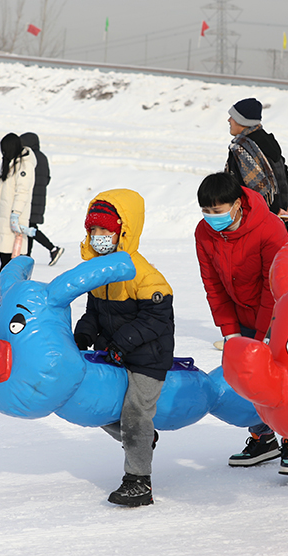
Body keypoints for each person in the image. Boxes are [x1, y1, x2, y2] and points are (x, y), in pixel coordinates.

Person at [195, 172, 288, 475]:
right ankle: (263, 436)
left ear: (237, 204)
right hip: (242, 311)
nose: (211, 217)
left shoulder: (270, 229)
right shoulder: (204, 234)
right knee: (245, 380)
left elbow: (275, 285)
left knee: (281, 379)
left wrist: (261, 337)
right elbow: (213, 285)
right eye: (205, 211)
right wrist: (230, 333)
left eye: (218, 210)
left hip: (283, 309)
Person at [73, 192, 175, 506]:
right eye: (94, 232)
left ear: (123, 233)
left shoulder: (141, 273)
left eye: (106, 231)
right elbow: (94, 311)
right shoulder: (100, 271)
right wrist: (83, 333)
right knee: (96, 403)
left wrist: (121, 343)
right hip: (114, 353)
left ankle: (139, 481)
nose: (99, 238)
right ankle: (141, 439)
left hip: (147, 356)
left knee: (135, 412)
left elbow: (157, 318)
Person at [225, 97, 288, 219]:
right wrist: (285, 205)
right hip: (278, 217)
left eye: (233, 117)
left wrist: (275, 209)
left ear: (242, 121)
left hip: (256, 219)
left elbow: (243, 188)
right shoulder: (269, 141)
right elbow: (283, 176)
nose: (229, 120)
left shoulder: (241, 148)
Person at [0, 132, 35, 296]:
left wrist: (16, 214)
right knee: (5, 254)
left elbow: (22, 191)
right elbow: (5, 188)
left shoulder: (24, 165)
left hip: (15, 217)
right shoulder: (13, 163)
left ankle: (13, 286)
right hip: (6, 216)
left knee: (15, 255)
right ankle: (2, 285)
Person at [19, 132, 64, 266]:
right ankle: (27, 256)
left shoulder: (29, 157)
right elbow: (47, 179)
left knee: (29, 226)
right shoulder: (43, 157)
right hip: (40, 197)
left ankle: (52, 248)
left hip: (30, 198)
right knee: (30, 226)